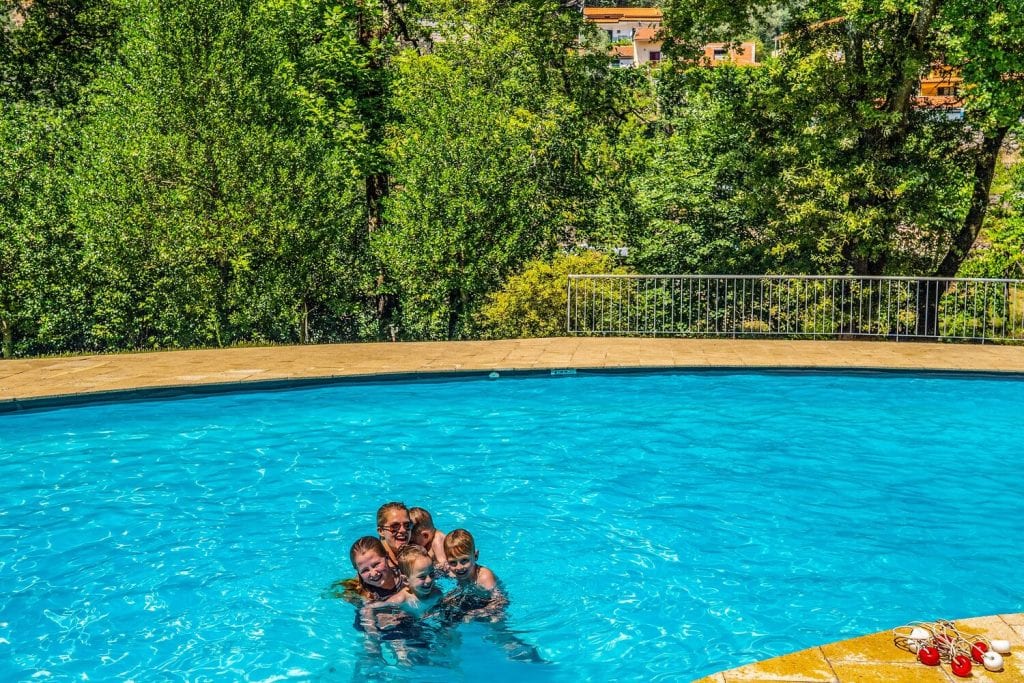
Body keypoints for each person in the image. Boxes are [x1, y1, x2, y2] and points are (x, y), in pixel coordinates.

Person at [441, 528, 507, 620]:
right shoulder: (452, 571)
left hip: (489, 603)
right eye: (453, 562)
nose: (459, 568)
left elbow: (501, 601)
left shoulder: (484, 577)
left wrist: (475, 613)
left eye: (464, 560)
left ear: (475, 556)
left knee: (496, 619)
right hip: (470, 598)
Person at [378, 544, 444, 619]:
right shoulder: (401, 599)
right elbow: (375, 610)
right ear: (406, 580)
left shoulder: (437, 594)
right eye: (422, 577)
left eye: (431, 574)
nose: (429, 580)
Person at [332, 536, 404, 604]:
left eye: (376, 564)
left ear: (387, 557)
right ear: (358, 572)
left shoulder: (405, 574)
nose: (373, 573)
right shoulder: (363, 595)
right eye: (365, 570)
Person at [409, 506, 450, 574]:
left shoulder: (437, 541)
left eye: (412, 542)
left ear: (425, 535)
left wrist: (432, 568)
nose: (411, 544)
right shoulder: (425, 540)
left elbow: (444, 565)